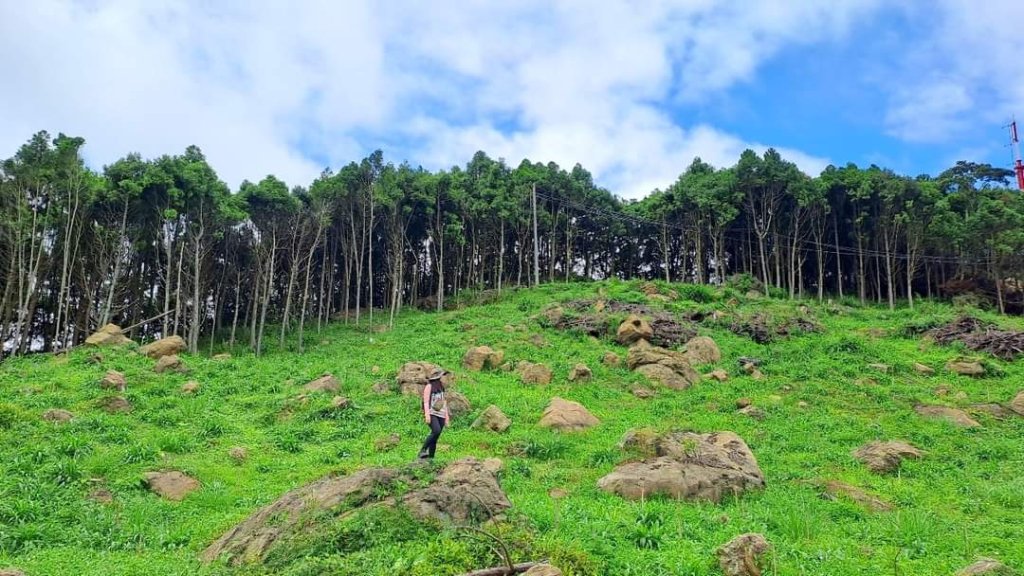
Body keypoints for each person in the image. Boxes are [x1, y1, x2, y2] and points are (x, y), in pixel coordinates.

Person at [418, 368, 450, 459]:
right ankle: (423, 450)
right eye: (443, 376)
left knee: (436, 437)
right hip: (432, 413)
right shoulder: (429, 387)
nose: (445, 378)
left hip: (441, 415)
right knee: (436, 431)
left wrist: (446, 418)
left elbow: (444, 403)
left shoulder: (442, 388)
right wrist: (427, 415)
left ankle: (431, 457)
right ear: (438, 377)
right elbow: (426, 402)